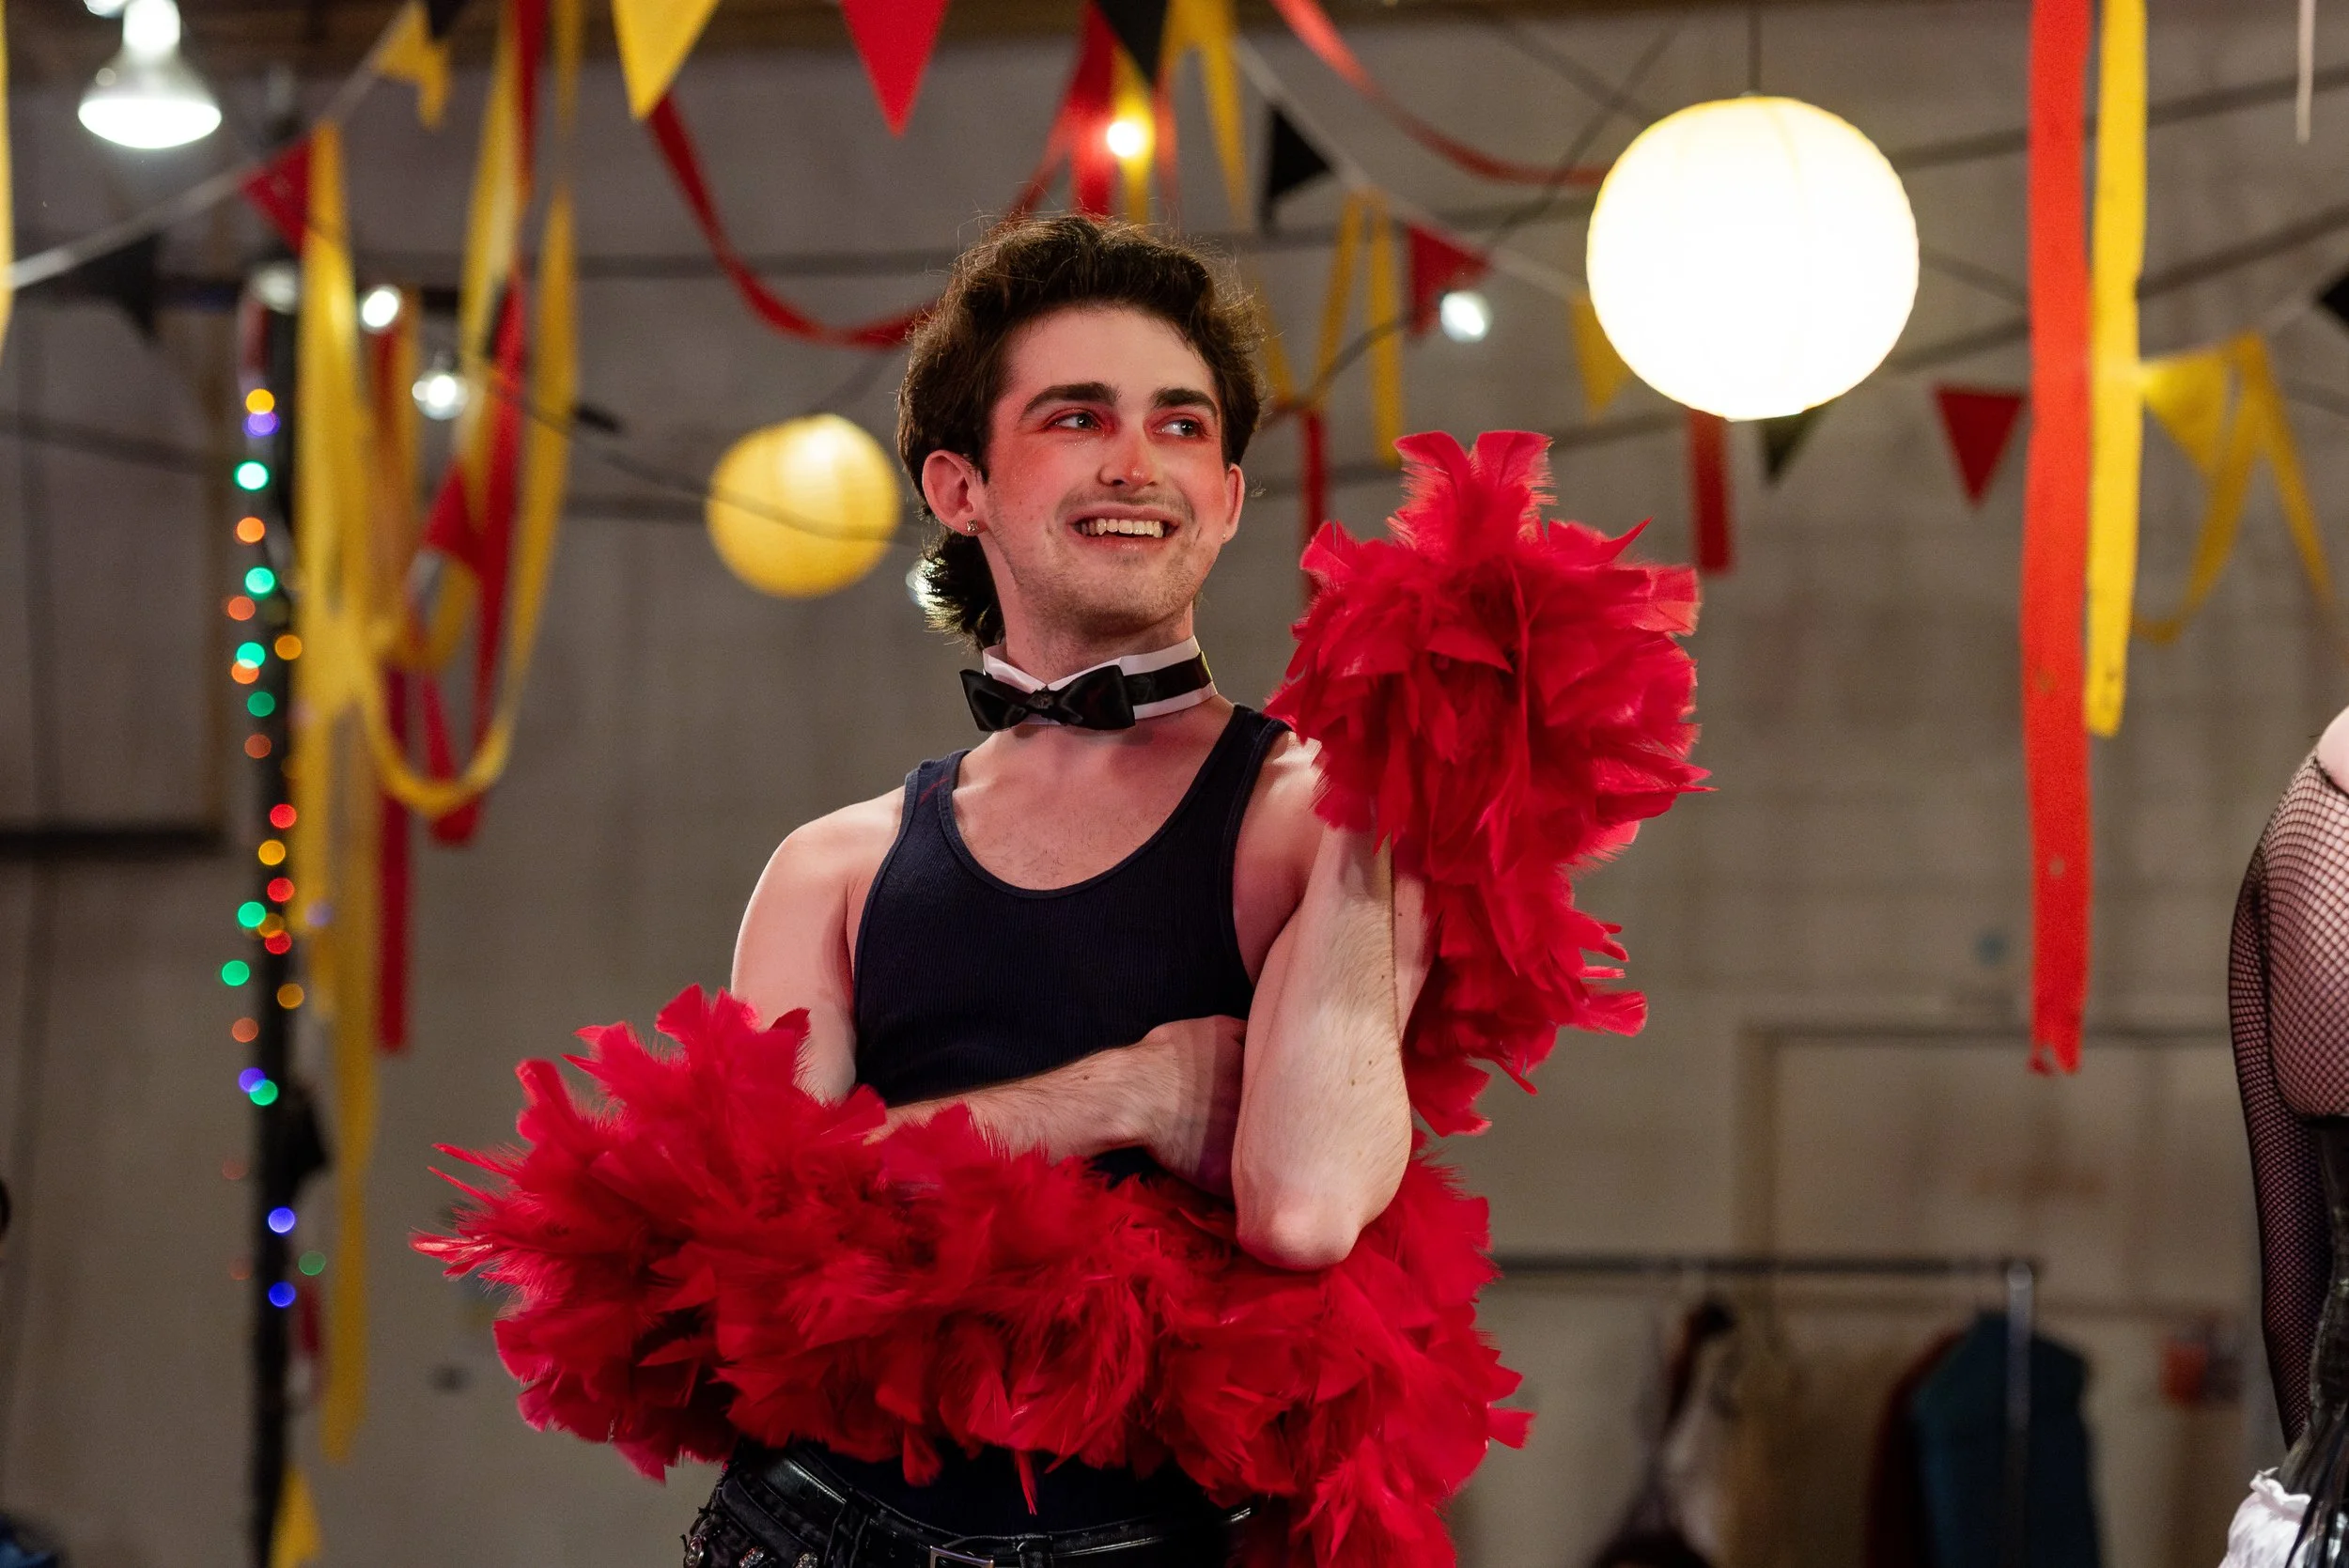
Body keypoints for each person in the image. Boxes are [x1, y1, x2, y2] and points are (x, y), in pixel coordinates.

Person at [683, 215, 1429, 1568]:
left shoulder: (1329, 814)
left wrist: (1388, 803)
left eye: (1184, 425)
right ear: (959, 487)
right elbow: (759, 1248)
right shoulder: (834, 866)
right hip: (813, 1531)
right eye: (1079, 417)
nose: (1137, 463)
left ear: (1233, 495)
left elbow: (1307, 1206)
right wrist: (1121, 1096)